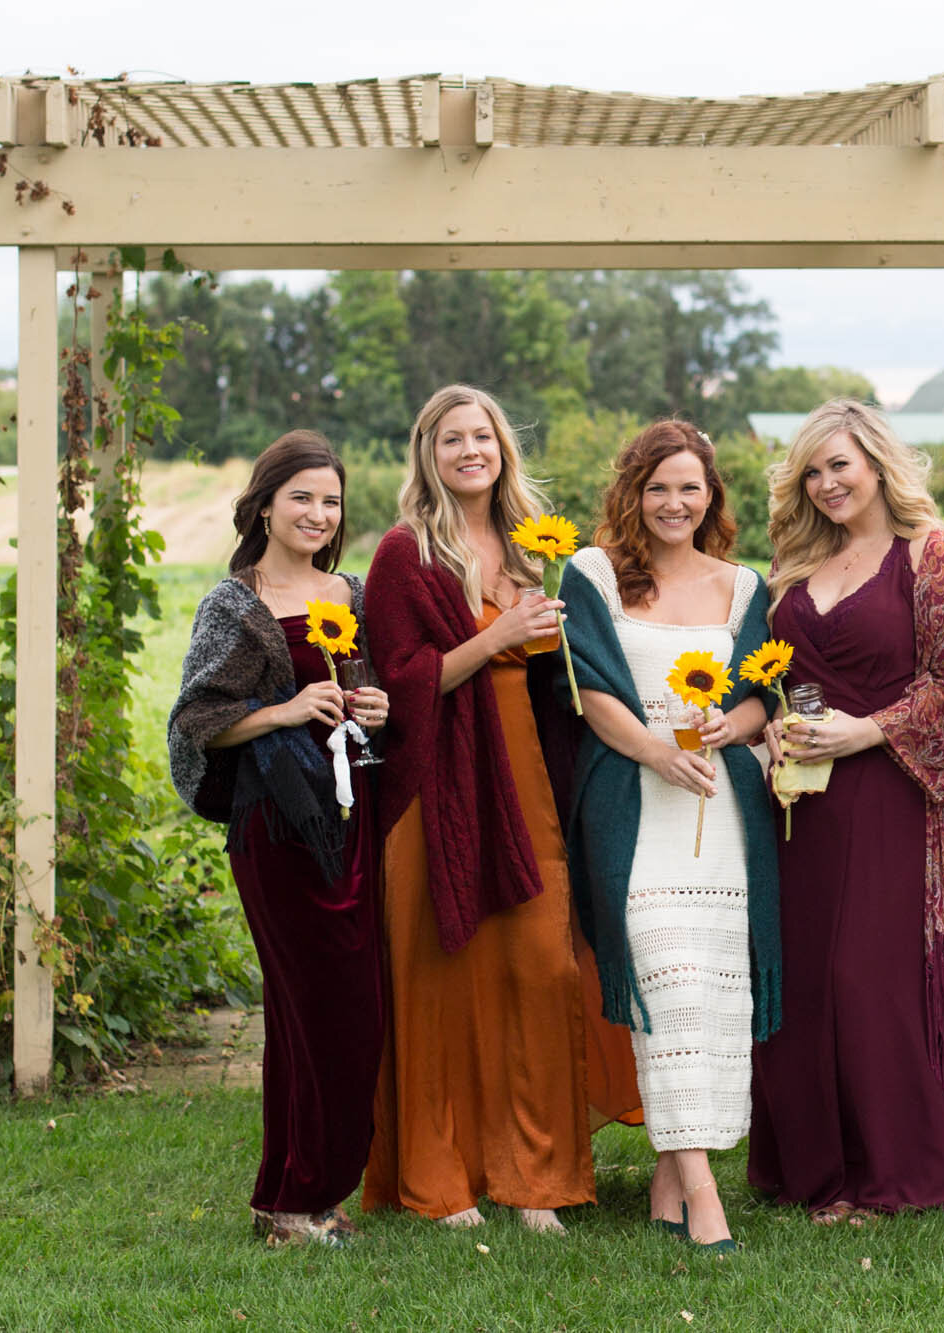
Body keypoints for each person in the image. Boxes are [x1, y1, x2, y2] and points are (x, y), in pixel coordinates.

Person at [360, 385, 639, 1235]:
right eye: (452, 439)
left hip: (527, 782)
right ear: (427, 453)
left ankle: (535, 1174)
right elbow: (400, 685)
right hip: (434, 787)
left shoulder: (535, 550)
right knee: (443, 974)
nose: (470, 450)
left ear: (502, 449)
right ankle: (445, 1178)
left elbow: (566, 679)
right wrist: (496, 635)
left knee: (540, 968)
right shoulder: (405, 554)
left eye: (482, 435)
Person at [747, 399, 944, 1221]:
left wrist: (868, 730)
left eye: (838, 465)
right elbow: (770, 680)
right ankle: (817, 1168)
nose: (824, 484)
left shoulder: (935, 558)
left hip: (897, 794)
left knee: (870, 979)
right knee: (808, 978)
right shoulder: (791, 568)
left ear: (879, 463)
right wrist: (778, 731)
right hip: (802, 807)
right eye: (810, 471)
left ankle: (899, 1170)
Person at [558, 421, 782, 1253]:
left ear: (711, 496)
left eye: (689, 487)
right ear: (632, 493)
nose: (674, 503)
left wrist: (730, 725)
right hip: (633, 803)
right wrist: (657, 750)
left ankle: (666, 1179)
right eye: (658, 488)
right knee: (666, 982)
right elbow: (588, 688)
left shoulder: (743, 584)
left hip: (722, 811)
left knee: (716, 996)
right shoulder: (591, 575)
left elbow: (767, 690)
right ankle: (702, 1189)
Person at [167, 429, 387, 1248]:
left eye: (330, 501)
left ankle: (302, 1194)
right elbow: (197, 722)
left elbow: (374, 692)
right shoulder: (237, 602)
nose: (317, 513)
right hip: (279, 829)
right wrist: (287, 708)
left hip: (352, 818)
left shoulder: (355, 593)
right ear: (264, 503)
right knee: (310, 1010)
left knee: (354, 1014)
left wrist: (378, 707)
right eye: (301, 497)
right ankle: (293, 1202)